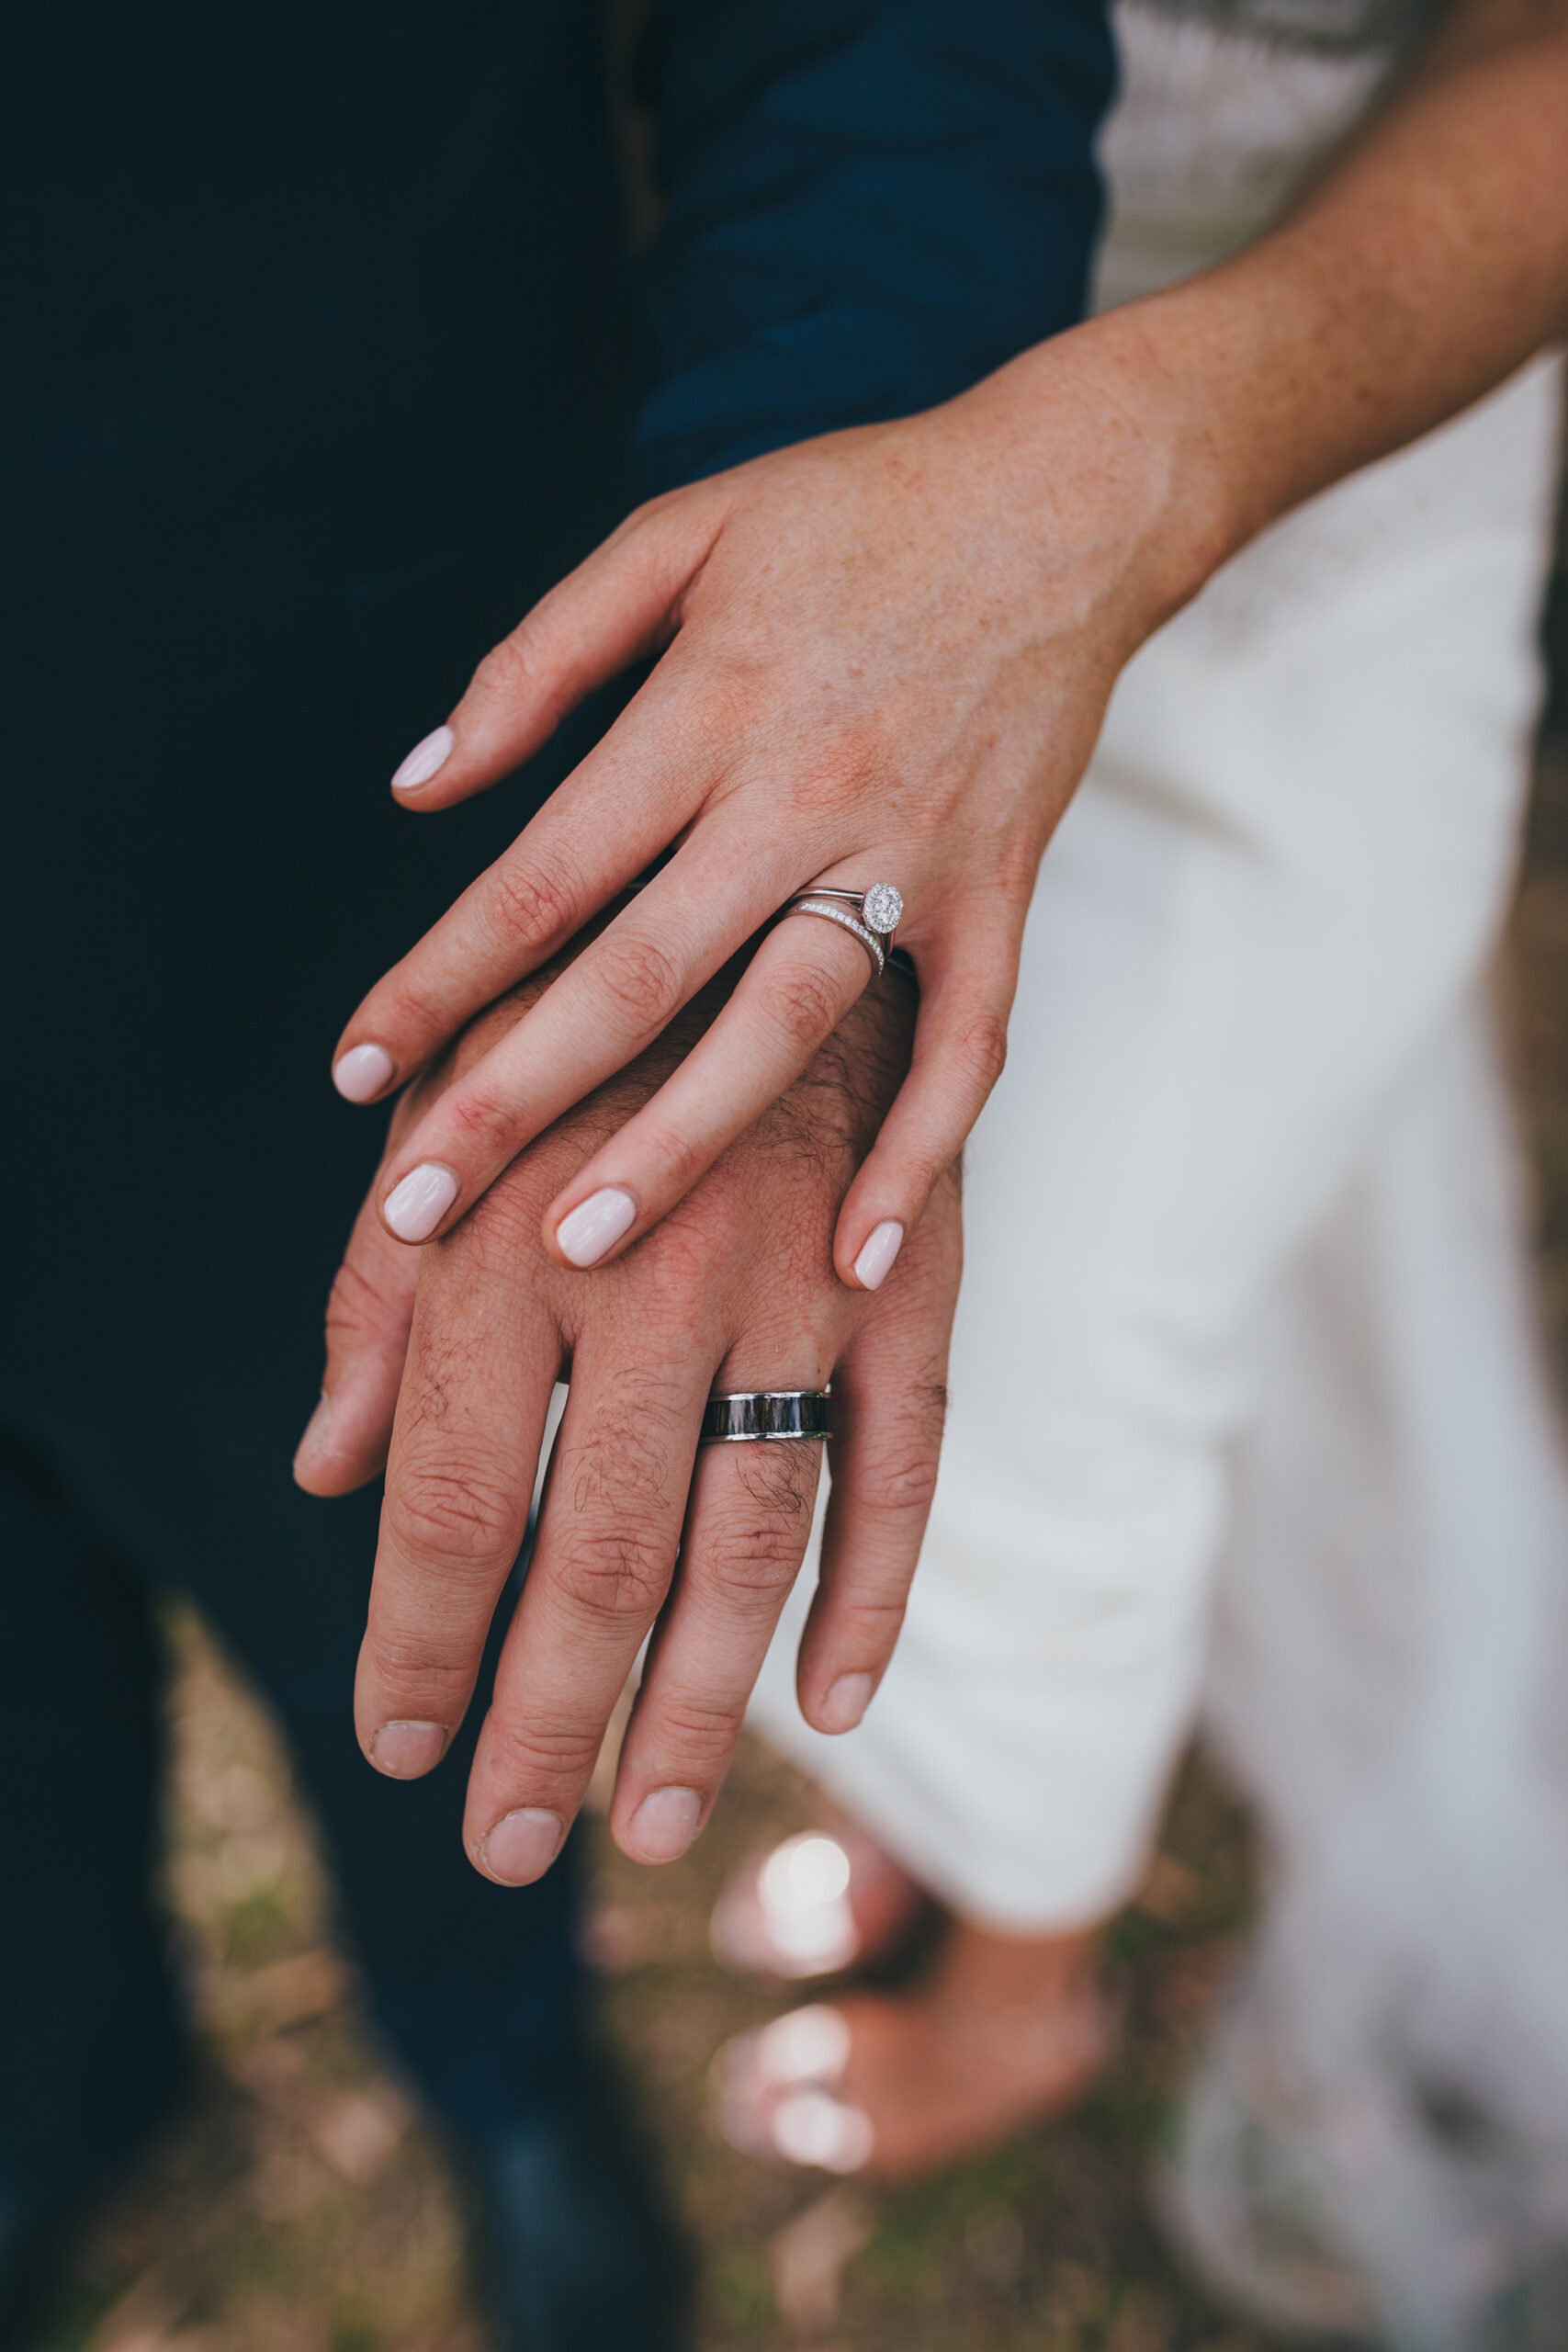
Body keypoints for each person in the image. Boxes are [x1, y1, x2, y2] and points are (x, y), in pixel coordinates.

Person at [316, 0, 1568, 2331]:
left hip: (1311, 404)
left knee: (1068, 1347)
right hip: (783, 365)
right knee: (787, 1255)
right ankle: (926, 1802)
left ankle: (1025, 1967)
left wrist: (1114, 473)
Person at [0, 6, 1117, 2346]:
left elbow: (875, 46)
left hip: (310, 869)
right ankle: (62, 2072)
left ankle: (506, 2066)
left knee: (415, 1630)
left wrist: (760, 885)